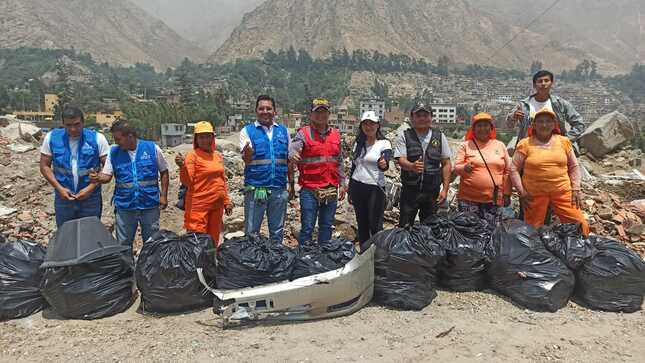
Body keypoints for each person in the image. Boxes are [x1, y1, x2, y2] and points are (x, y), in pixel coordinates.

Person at [90, 119, 169, 248]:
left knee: (152, 243)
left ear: (130, 136)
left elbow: (164, 172)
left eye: (118, 139)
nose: (116, 142)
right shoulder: (114, 152)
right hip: (125, 206)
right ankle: (128, 268)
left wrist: (164, 196)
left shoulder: (152, 148)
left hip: (149, 204)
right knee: (124, 244)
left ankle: (148, 267)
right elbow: (107, 176)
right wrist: (98, 177)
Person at [510, 108, 590, 235]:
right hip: (534, 195)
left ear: (554, 124)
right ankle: (535, 254)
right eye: (540, 121)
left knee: (580, 224)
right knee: (532, 230)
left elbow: (574, 166)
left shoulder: (564, 142)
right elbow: (513, 169)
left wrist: (576, 188)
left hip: (562, 192)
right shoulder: (525, 144)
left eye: (548, 121)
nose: (544, 125)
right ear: (534, 125)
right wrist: (522, 192)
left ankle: (582, 249)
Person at [40, 105, 110, 227]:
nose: (73, 129)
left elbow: (108, 168)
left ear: (83, 122)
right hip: (64, 199)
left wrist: (90, 188)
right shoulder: (51, 138)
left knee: (90, 234)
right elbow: (44, 166)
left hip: (90, 199)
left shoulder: (98, 139)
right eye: (68, 125)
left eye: (77, 124)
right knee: (66, 236)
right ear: (63, 124)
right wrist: (59, 188)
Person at [289, 98, 347, 245]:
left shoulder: (335, 134)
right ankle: (305, 259)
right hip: (310, 189)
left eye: (324, 112)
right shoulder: (304, 133)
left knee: (326, 227)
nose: (321, 115)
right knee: (308, 228)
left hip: (331, 187)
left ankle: (324, 258)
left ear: (329, 114)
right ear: (311, 115)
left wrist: (343, 182)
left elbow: (338, 160)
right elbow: (293, 148)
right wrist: (292, 153)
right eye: (318, 112)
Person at [239, 95, 291, 244]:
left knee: (277, 231)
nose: (265, 111)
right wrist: (248, 152)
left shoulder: (283, 131)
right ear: (256, 111)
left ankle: (276, 261)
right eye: (261, 108)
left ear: (274, 111)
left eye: (268, 108)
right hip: (256, 190)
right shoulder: (247, 131)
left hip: (279, 190)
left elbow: (288, 160)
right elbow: (247, 160)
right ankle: (251, 262)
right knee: (251, 230)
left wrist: (291, 185)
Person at [394, 102, 452, 227]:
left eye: (425, 115)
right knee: (405, 227)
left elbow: (446, 163)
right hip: (410, 191)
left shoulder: (440, 137)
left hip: (431, 193)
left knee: (430, 229)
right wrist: (411, 166)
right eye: (418, 115)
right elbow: (400, 159)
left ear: (431, 117)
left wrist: (445, 189)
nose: (422, 118)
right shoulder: (405, 136)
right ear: (412, 117)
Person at [175, 121, 232, 247]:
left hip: (216, 207)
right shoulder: (192, 156)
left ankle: (210, 265)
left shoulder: (217, 156)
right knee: (197, 242)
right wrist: (183, 167)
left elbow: (222, 180)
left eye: (208, 136)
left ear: (213, 138)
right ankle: (198, 267)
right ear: (196, 139)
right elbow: (187, 182)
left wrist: (226, 201)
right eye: (202, 137)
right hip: (198, 208)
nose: (205, 140)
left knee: (213, 241)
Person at [454, 112, 511, 226]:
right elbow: (456, 168)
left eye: (486, 125)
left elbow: (508, 171)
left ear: (491, 128)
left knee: (492, 232)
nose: (483, 129)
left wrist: (507, 193)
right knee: (469, 232)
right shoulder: (465, 146)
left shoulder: (500, 145)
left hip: (494, 200)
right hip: (468, 200)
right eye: (479, 126)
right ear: (473, 129)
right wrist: (464, 168)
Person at [508, 69, 586, 150]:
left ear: (551, 84)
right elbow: (509, 125)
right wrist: (514, 117)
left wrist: (565, 140)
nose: (543, 84)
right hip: (529, 149)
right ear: (534, 85)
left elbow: (579, 124)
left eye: (546, 81)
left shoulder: (560, 104)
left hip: (555, 149)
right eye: (540, 81)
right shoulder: (523, 105)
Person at [348, 111, 392, 245]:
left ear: (378, 125)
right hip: (357, 186)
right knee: (362, 224)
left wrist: (383, 163)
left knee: (375, 225)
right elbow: (354, 167)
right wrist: (350, 189)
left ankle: (378, 256)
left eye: (372, 123)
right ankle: (364, 254)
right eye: (365, 124)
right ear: (361, 126)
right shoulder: (358, 144)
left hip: (375, 189)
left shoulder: (384, 143)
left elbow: (386, 160)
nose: (368, 127)